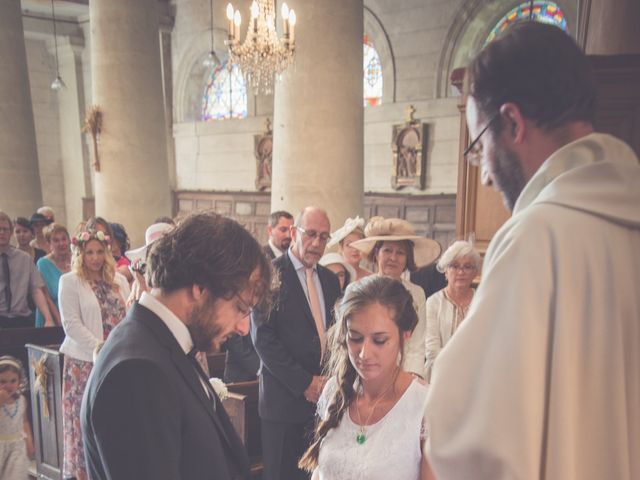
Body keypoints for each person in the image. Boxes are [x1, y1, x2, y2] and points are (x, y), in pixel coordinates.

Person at [425, 22, 640, 480]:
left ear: (514, 122)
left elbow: (469, 437)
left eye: (479, 146)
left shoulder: (539, 236)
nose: (483, 175)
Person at [82, 213, 272, 480]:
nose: (243, 328)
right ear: (200, 287)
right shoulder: (136, 371)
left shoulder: (165, 342)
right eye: (240, 308)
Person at [299, 276, 434, 480]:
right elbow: (322, 471)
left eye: (379, 340)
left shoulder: (425, 406)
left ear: (405, 336)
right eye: (355, 338)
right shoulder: (334, 390)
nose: (364, 354)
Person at [252, 206, 341, 480]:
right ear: (294, 232)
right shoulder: (271, 274)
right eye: (310, 234)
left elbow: (336, 333)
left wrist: (329, 380)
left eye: (324, 237)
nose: (316, 243)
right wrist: (305, 383)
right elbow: (263, 337)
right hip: (284, 399)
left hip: (322, 402)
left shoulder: (329, 280)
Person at [58, 229, 130, 480]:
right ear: (80, 253)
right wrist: (100, 347)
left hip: (116, 361)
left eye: (100, 251)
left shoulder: (119, 281)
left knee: (113, 420)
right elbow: (71, 324)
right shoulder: (69, 281)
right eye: (89, 252)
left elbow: (128, 314)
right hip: (84, 362)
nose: (95, 257)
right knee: (84, 423)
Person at [350, 217, 441, 378]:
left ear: (407, 259)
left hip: (404, 374)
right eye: (387, 250)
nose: (393, 258)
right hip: (365, 370)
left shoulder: (416, 293)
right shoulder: (356, 289)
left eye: (400, 253)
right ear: (377, 253)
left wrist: (409, 378)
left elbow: (417, 344)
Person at [424, 240, 481, 382]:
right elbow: (431, 351)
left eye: (467, 267)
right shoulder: (433, 302)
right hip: (439, 379)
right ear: (445, 271)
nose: (461, 272)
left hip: (475, 378)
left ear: (475, 272)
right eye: (454, 266)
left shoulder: (482, 301)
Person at [0, 212, 54, 328]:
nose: (2, 233)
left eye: (5, 229)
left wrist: (48, 318)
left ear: (10, 232)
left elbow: (36, 289)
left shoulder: (24, 258)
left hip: (21, 319)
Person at [0, 356, 34, 480]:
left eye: (13, 381)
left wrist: (29, 439)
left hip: (16, 446)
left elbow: (24, 421)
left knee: (15, 475)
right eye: (2, 381)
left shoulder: (21, 400)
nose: (8, 385)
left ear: (19, 381)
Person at [35, 224, 71, 328]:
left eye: (64, 239)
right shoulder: (43, 264)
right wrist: (60, 322)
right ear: (49, 243)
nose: (61, 243)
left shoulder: (76, 261)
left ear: (69, 241)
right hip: (53, 318)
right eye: (56, 240)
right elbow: (46, 297)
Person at [326, 216, 372, 281]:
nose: (355, 249)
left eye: (358, 244)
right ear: (341, 248)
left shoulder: (370, 277)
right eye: (349, 245)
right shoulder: (333, 274)